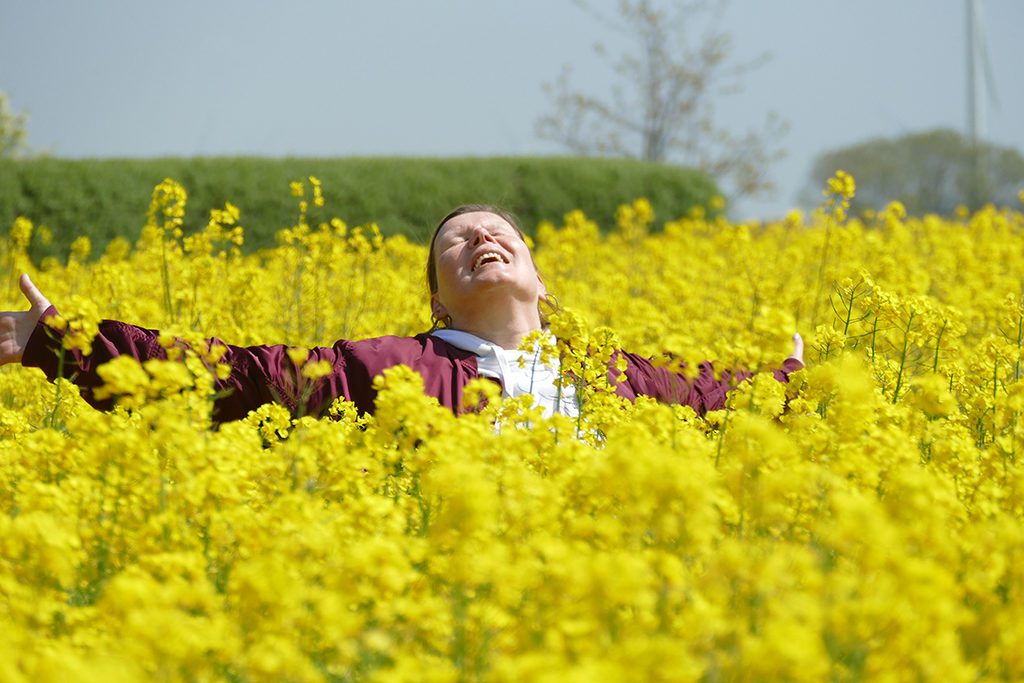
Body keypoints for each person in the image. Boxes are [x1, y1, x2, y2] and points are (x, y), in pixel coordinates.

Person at [0, 205, 804, 423]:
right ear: (436, 298)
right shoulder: (386, 369)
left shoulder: (617, 376)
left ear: (540, 277)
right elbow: (236, 377)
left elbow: (719, 401)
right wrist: (65, 344)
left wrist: (797, 381)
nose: (482, 237)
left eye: (500, 232)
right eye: (458, 240)